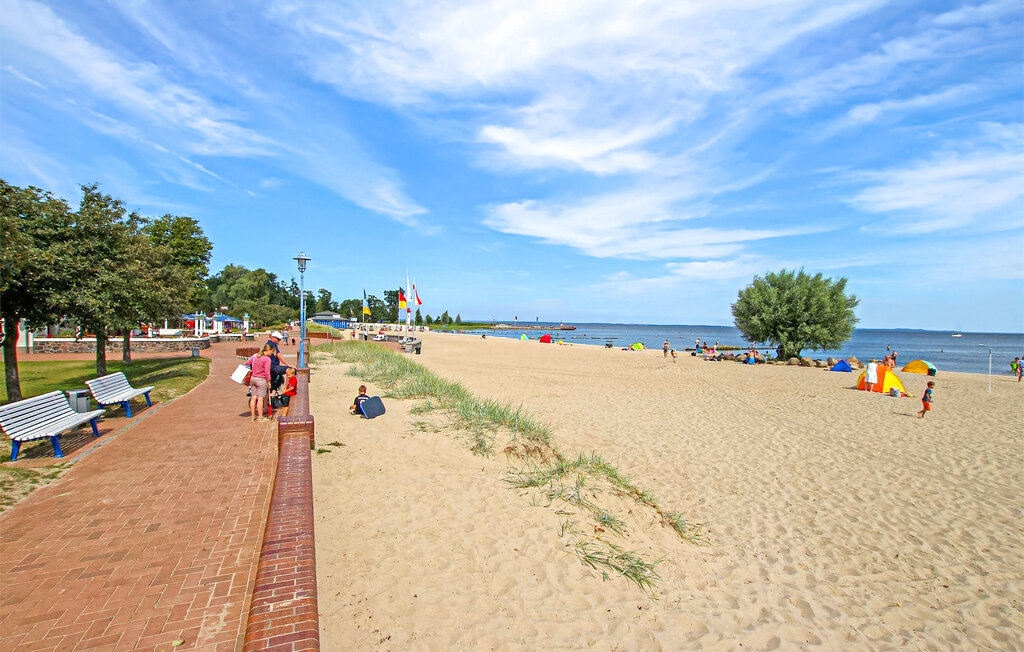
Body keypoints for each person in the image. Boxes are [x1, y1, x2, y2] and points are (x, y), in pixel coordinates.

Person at [249, 344, 275, 422]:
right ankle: (260, 417)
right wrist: (269, 381)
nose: (272, 353)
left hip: (253, 378)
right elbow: (267, 372)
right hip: (261, 379)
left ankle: (253, 416)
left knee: (253, 397)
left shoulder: (256, 356)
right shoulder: (267, 359)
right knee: (260, 399)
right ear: (268, 350)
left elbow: (247, 363)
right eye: (272, 351)